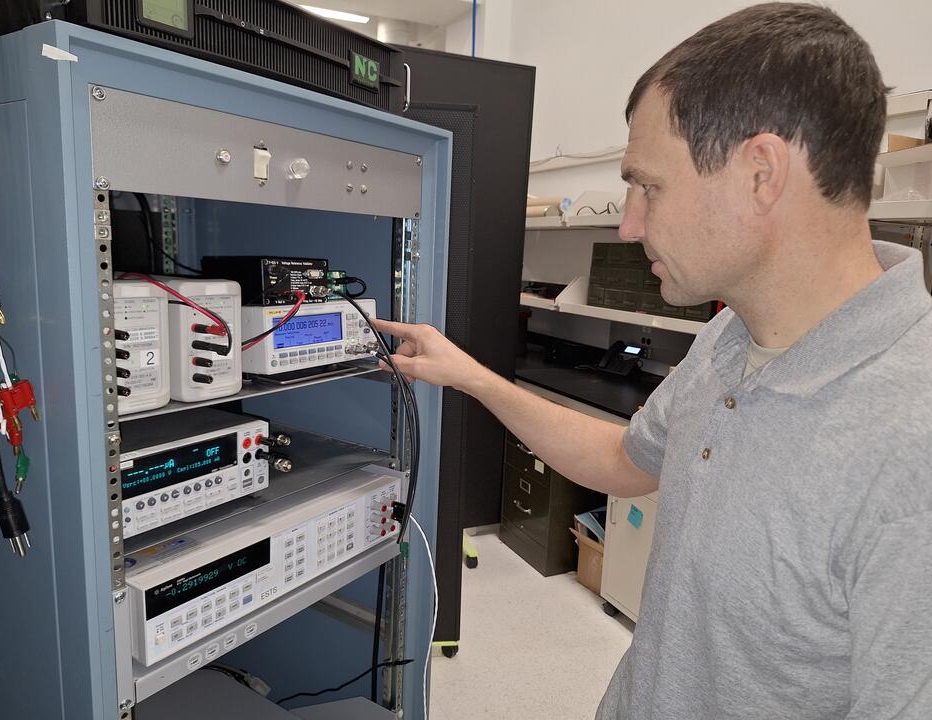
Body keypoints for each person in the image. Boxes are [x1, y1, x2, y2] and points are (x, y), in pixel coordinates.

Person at [375, 3, 932, 719]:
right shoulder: (730, 341)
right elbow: (624, 459)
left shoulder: (909, 439)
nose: (630, 223)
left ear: (762, 172)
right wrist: (471, 376)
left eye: (648, 186)